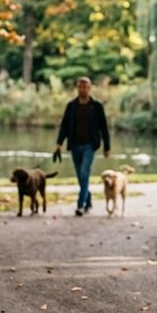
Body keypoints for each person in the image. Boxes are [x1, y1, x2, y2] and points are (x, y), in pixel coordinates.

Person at [55, 76, 111, 216]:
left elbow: (103, 127)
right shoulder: (71, 106)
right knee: (81, 177)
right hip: (74, 145)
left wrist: (106, 146)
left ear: (90, 88)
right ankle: (88, 199)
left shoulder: (96, 106)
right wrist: (59, 143)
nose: (83, 89)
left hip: (89, 145)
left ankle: (80, 205)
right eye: (80, 86)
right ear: (77, 88)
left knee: (85, 172)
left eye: (85, 87)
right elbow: (65, 126)